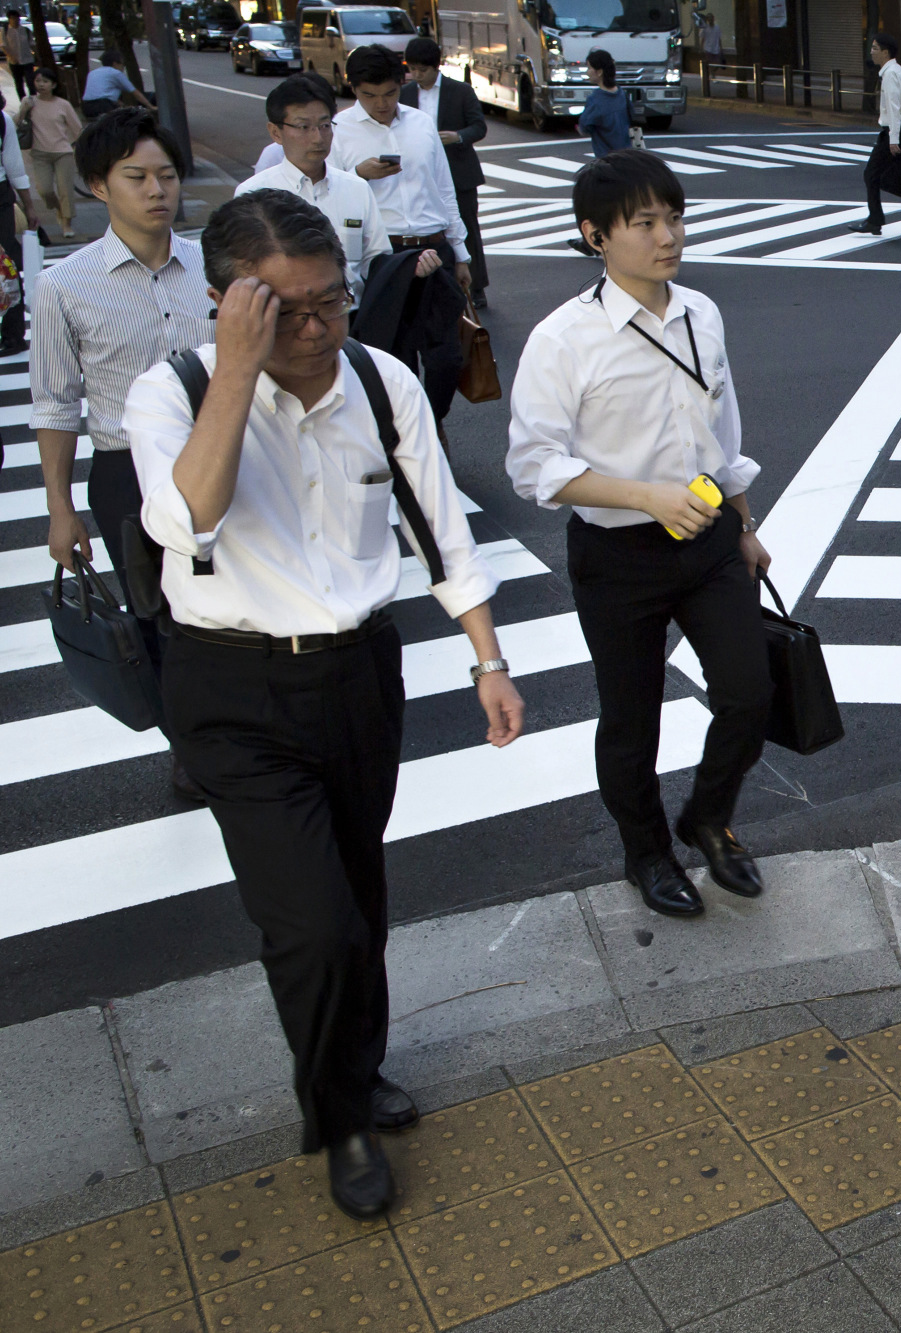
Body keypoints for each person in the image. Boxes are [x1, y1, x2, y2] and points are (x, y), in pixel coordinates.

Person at [125, 190, 524, 1222]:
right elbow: (187, 517)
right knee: (312, 925)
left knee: (358, 898)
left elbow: (441, 527)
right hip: (229, 684)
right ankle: (340, 1115)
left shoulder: (376, 379)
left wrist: (487, 658)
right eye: (285, 312)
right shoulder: (168, 393)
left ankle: (355, 1064)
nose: (314, 331)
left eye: (331, 305)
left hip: (356, 674)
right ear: (227, 305)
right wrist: (237, 370)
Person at [507, 150, 772, 922]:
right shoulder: (565, 339)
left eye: (675, 217)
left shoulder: (701, 312)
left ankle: (707, 816)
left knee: (749, 694)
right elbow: (533, 465)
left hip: (710, 537)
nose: (668, 236)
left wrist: (744, 522)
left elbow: (722, 426)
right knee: (632, 718)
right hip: (617, 554)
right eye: (645, 222)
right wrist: (645, 496)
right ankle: (646, 851)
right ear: (596, 236)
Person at [33, 111, 205, 800]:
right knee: (153, 614)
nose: (156, 190)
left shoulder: (215, 264)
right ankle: (186, 746)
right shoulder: (64, 285)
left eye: (166, 175)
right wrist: (59, 510)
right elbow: (54, 402)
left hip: (217, 457)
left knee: (231, 601)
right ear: (100, 186)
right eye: (136, 177)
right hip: (125, 471)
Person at [329, 44, 473, 423]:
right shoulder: (339, 131)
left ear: (402, 83)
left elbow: (444, 189)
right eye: (369, 95)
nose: (381, 104)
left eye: (390, 93)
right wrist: (359, 175)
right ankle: (407, 433)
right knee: (396, 357)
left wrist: (460, 252)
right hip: (385, 256)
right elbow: (327, 195)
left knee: (447, 358)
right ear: (354, 89)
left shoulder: (420, 123)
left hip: (433, 245)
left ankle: (430, 421)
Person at [239, 74, 391, 292]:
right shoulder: (253, 194)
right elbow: (247, 272)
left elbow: (378, 261)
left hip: (351, 315)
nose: (318, 138)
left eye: (325, 125)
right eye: (304, 127)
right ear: (275, 132)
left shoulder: (356, 188)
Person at [401, 37, 489, 309]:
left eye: (422, 70)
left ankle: (477, 287)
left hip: (459, 170)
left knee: (467, 228)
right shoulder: (404, 94)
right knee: (429, 229)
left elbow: (479, 126)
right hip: (421, 172)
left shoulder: (459, 90)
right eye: (412, 69)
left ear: (435, 67)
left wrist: (458, 136)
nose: (416, 75)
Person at [846, 33, 901, 238]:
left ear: (885, 52)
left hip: (895, 131)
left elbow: (894, 108)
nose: (872, 52)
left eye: (875, 48)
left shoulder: (890, 74)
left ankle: (875, 219)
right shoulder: (900, 71)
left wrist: (893, 139)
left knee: (871, 173)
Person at [0, 84, 36, 355]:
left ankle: (13, 336)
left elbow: (14, 166)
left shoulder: (1, 121)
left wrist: (29, 206)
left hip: (0, 199)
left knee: (5, 267)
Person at [25, 68, 81, 238]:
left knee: (66, 190)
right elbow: (15, 124)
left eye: (45, 81)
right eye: (38, 81)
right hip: (39, 153)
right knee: (44, 190)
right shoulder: (29, 102)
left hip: (62, 152)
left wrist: (76, 147)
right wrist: (23, 109)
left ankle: (66, 223)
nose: (41, 85)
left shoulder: (63, 104)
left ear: (54, 85)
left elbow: (77, 128)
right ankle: (58, 209)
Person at [578, 48, 632, 159]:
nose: (587, 72)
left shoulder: (596, 99)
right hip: (627, 155)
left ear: (599, 72)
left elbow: (585, 126)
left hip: (606, 158)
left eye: (589, 68)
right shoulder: (622, 94)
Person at [81, 48, 153, 118]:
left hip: (86, 107)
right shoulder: (116, 73)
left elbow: (104, 94)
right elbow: (135, 93)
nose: (123, 67)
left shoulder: (93, 73)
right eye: (122, 64)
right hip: (103, 107)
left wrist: (123, 105)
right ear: (115, 63)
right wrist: (150, 106)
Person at [4, 12, 31, 100]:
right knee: (19, 82)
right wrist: (11, 56)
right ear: (9, 19)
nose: (15, 20)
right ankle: (23, 101)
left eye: (16, 18)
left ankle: (33, 99)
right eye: (12, 18)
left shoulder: (25, 30)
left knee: (30, 81)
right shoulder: (5, 31)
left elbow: (32, 44)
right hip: (14, 62)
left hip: (27, 60)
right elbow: (3, 46)